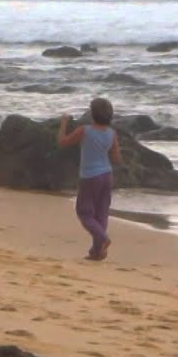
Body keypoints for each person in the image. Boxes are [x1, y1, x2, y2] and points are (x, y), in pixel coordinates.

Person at [58, 98, 122, 260]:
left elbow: (62, 142)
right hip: (107, 175)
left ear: (92, 115)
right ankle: (97, 251)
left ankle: (103, 238)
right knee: (101, 214)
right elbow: (116, 158)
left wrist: (63, 123)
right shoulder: (112, 133)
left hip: (89, 177)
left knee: (84, 213)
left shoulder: (84, 130)